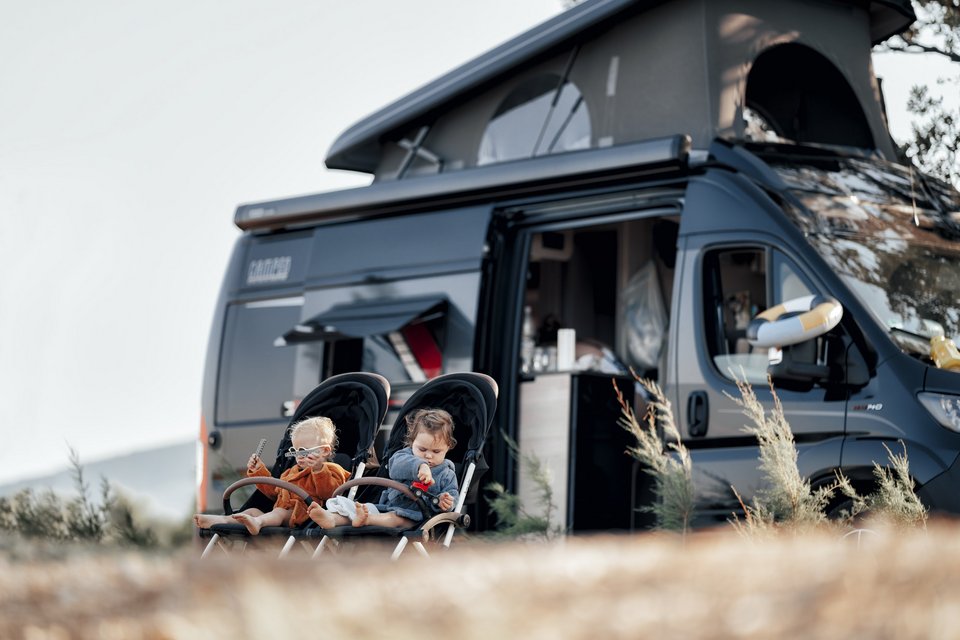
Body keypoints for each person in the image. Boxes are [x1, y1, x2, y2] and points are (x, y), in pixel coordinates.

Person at [193, 416, 349, 535]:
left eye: (304, 450)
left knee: (278, 513)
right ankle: (224, 520)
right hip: (279, 513)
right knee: (253, 510)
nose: (299, 456)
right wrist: (258, 470)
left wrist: (317, 469)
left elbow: (329, 493)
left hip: (306, 516)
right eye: (295, 451)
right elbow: (274, 492)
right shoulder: (291, 472)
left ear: (325, 451)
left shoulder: (332, 470)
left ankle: (258, 522)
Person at [308, 407, 458, 529]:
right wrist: (420, 466)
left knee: (395, 519)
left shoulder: (446, 474)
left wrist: (446, 502)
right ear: (412, 443)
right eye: (422, 450)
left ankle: (367, 520)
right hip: (386, 507)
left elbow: (453, 497)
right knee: (355, 508)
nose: (428, 456)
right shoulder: (403, 456)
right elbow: (394, 468)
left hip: (416, 517)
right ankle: (331, 519)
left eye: (436, 452)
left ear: (448, 448)